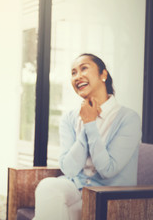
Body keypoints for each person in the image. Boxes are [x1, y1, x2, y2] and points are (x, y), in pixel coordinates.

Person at [33, 53, 141, 220]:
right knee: (48, 187)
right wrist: (87, 123)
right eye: (73, 72)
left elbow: (108, 170)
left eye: (84, 68)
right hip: (75, 190)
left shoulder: (128, 118)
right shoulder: (70, 118)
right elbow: (68, 169)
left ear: (103, 75)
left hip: (109, 200)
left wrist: (90, 123)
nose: (78, 76)